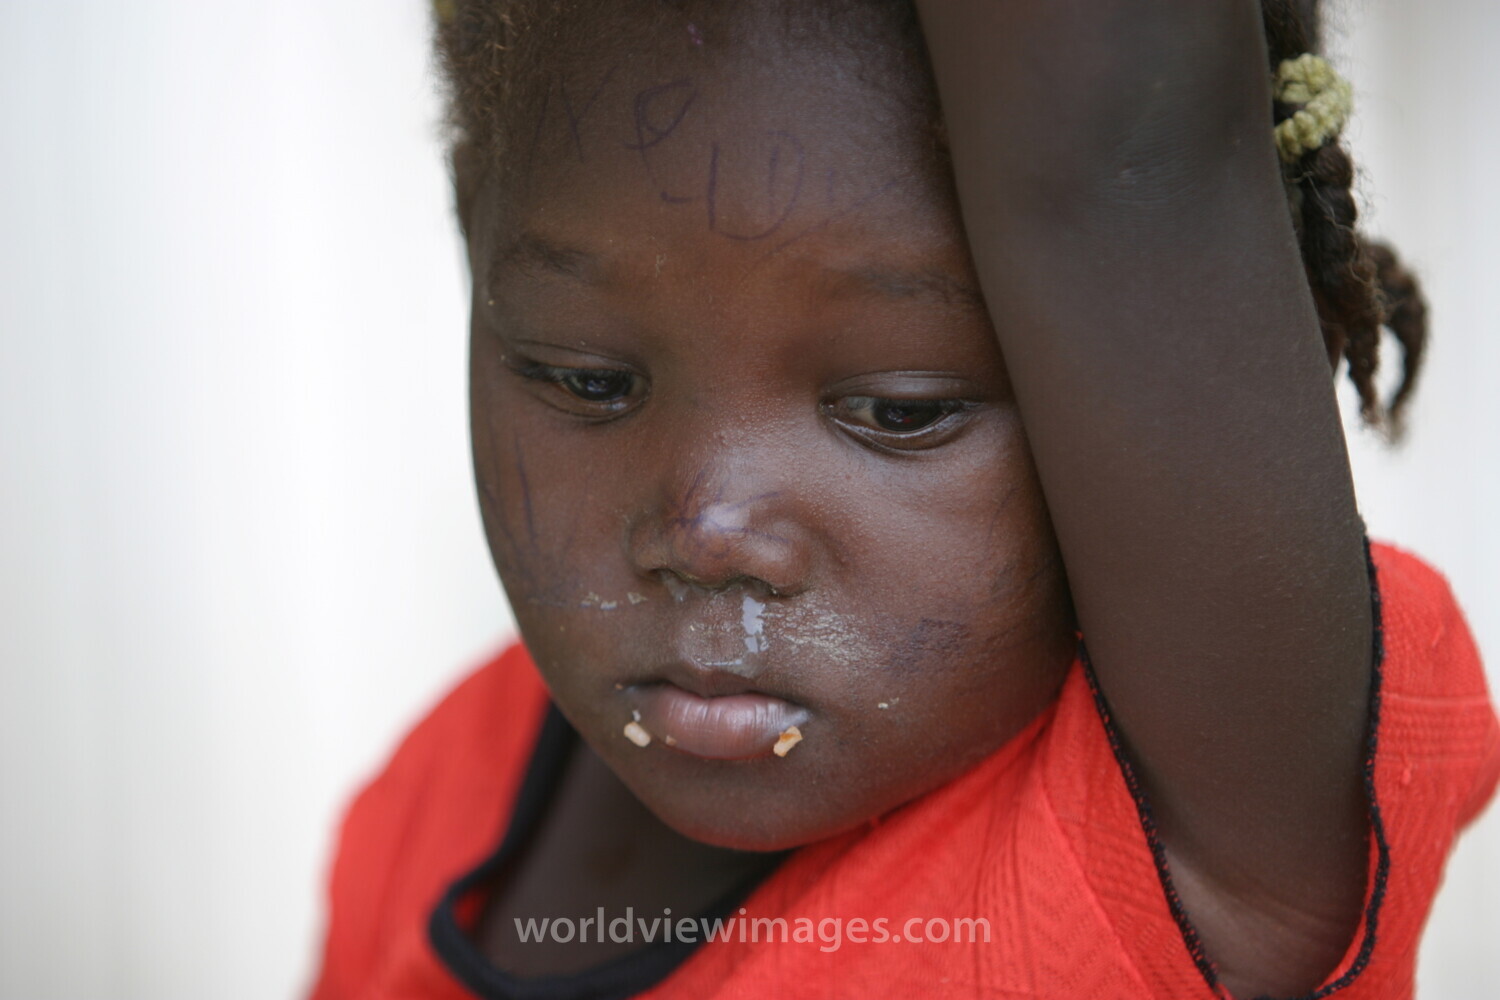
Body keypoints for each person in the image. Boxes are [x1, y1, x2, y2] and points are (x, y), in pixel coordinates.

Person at [309, 1, 1500, 997]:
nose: (710, 529)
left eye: (898, 410)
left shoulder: (1193, 848)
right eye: (590, 380)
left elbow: (1121, 157)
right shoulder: (428, 800)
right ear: (477, 239)